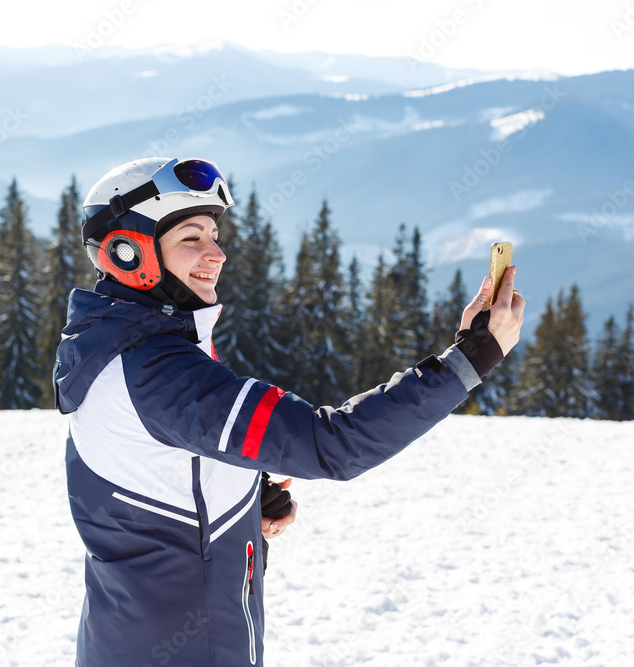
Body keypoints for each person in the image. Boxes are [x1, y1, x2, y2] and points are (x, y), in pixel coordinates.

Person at [53, 157, 525, 666]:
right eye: (191, 238)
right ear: (129, 253)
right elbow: (334, 444)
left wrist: (243, 496)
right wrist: (470, 358)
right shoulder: (156, 372)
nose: (218, 253)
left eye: (214, 233)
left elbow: (136, 481)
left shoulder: (121, 347)